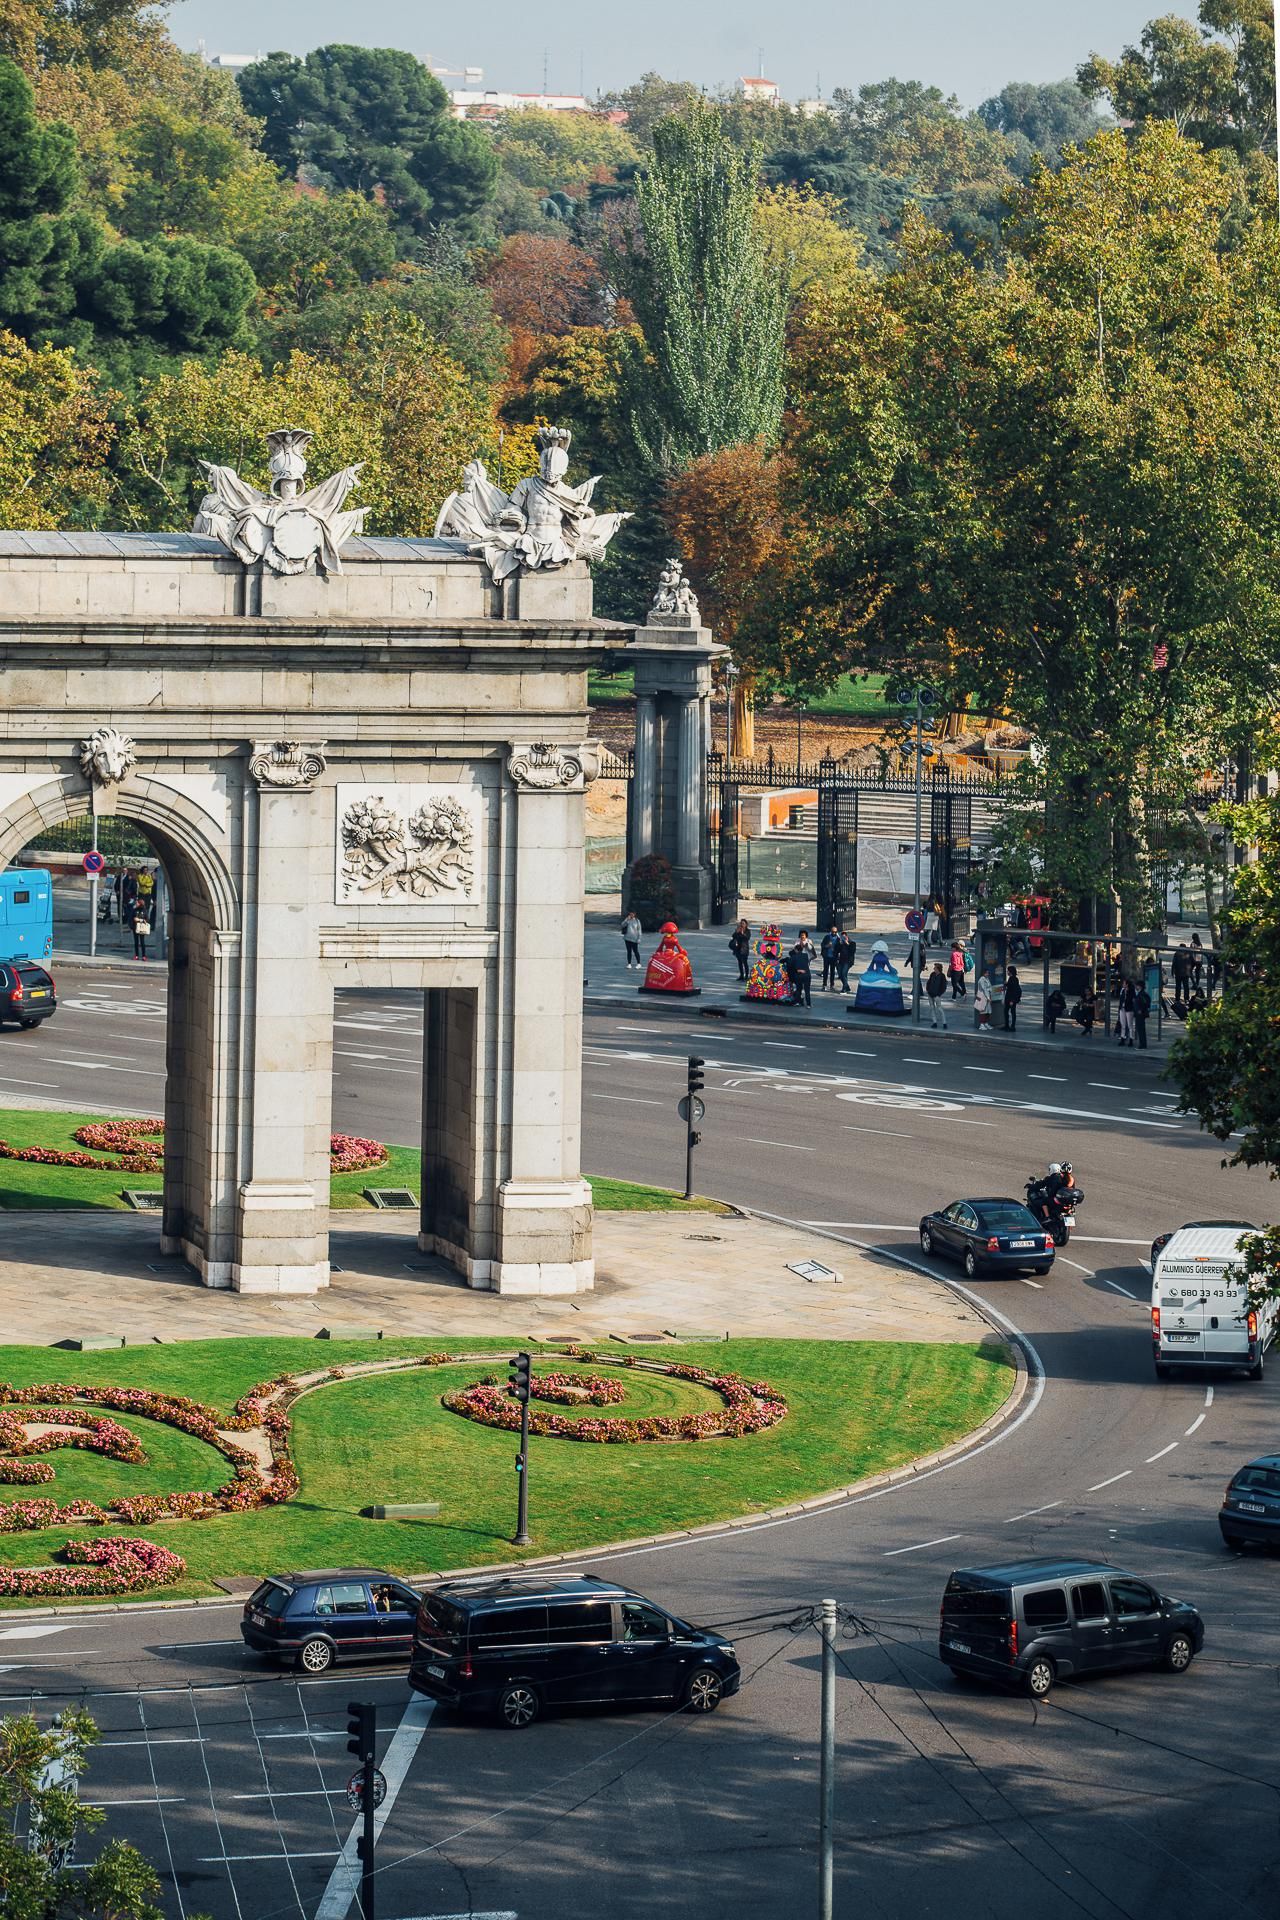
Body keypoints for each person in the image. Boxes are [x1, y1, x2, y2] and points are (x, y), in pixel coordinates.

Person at [789, 937, 812, 1008]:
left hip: (799, 975)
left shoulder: (794, 957)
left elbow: (791, 966)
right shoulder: (806, 955)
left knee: (799, 989)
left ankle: (797, 1002)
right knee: (807, 990)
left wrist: (797, 970)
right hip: (807, 975)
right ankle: (808, 1004)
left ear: (796, 950)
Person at [926, 961, 948, 1029]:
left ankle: (944, 1023)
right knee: (932, 1008)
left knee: (939, 1008)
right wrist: (928, 989)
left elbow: (944, 986)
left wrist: (939, 994)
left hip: (936, 995)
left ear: (938, 969)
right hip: (930, 994)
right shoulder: (932, 974)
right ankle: (934, 1022)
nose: (934, 969)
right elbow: (929, 982)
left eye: (935, 968)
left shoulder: (942, 976)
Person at [1171, 942, 1191, 1014]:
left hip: (1178, 973)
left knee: (1178, 986)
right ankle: (1186, 998)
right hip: (1186, 973)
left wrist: (1172, 972)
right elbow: (1191, 962)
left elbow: (1174, 963)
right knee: (1186, 986)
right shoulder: (1188, 953)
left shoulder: (1176, 954)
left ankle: (1177, 998)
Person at [1116, 976, 1136, 1046]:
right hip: (1122, 1008)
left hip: (1129, 1009)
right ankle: (1122, 1038)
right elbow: (1121, 999)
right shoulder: (1122, 990)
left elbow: (1133, 1000)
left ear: (1127, 984)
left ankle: (1131, 1039)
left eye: (1124, 983)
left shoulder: (1131, 991)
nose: (1123, 984)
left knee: (1130, 1025)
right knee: (1123, 1025)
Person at [820, 926, 841, 992]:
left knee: (832, 972)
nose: (834, 933)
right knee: (825, 971)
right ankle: (824, 985)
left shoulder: (838, 939)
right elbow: (822, 945)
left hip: (834, 957)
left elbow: (839, 948)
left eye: (835, 932)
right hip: (827, 957)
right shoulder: (827, 937)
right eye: (833, 932)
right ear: (830, 931)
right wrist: (827, 946)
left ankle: (832, 985)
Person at [1003, 966, 1022, 1031]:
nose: (1007, 972)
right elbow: (1011, 987)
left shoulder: (1013, 979)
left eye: (1008, 971)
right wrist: (1006, 984)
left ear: (1010, 972)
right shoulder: (1012, 978)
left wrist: (1012, 1000)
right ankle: (1007, 1025)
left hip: (1011, 999)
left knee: (1012, 1012)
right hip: (1009, 998)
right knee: (1007, 1011)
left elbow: (1014, 990)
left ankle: (1012, 1026)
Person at [1135, 981, 1151, 1050]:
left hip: (1140, 1014)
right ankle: (1143, 1044)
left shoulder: (1142, 994)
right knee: (1141, 1029)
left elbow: (1145, 1004)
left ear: (1140, 986)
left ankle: (1142, 1045)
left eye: (1137, 985)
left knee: (1140, 1029)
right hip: (1141, 1013)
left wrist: (1140, 1010)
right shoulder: (1142, 993)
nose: (1136, 987)